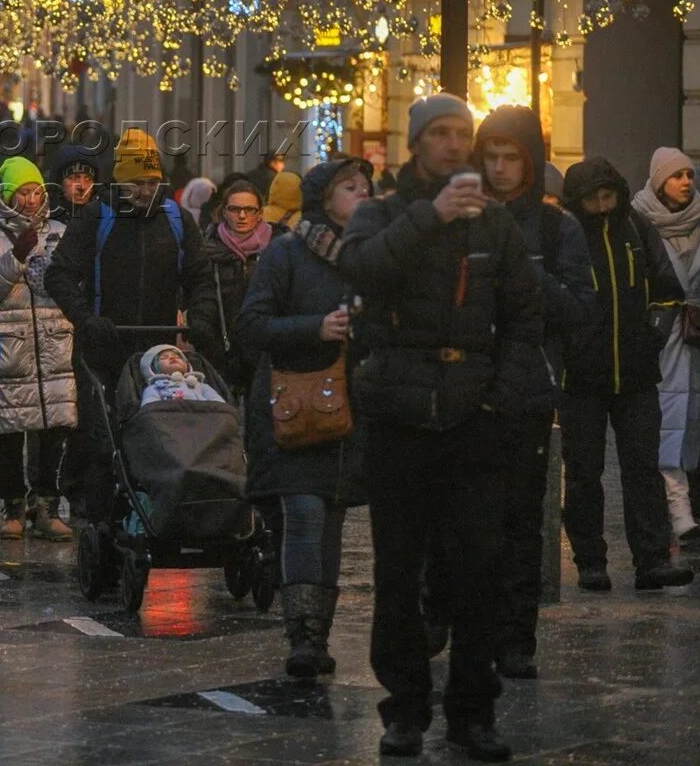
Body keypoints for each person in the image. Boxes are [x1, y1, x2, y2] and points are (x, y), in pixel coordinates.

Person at [338, 94, 542, 761]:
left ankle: (471, 712)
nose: (455, 146)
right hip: (400, 416)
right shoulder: (385, 211)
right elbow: (361, 267)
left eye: (464, 134)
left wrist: (498, 398)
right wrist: (428, 217)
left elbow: (522, 316)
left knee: (476, 569)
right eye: (442, 135)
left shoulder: (495, 226)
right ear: (418, 143)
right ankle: (404, 710)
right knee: (398, 573)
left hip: (472, 418)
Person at [471, 107, 597, 679]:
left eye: (510, 157)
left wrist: (524, 269)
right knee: (466, 520)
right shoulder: (461, 216)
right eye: (490, 156)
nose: (499, 169)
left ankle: (516, 637)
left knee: (521, 522)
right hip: (464, 389)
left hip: (526, 392)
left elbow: (578, 310)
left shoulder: (556, 227)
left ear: (530, 160)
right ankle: (465, 624)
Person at [44, 128, 222, 531]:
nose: (145, 191)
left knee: (159, 431)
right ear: (120, 181)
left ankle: (158, 509)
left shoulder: (176, 220)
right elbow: (59, 275)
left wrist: (202, 318)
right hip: (103, 348)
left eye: (151, 182)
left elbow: (198, 276)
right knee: (103, 439)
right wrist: (86, 319)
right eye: (136, 183)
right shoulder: (97, 216)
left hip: (158, 354)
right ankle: (100, 520)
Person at [238, 157, 373, 679]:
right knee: (306, 518)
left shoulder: (369, 259)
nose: (361, 195)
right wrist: (316, 327)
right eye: (349, 187)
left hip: (348, 413)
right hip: (292, 411)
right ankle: (302, 636)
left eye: (366, 187)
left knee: (331, 524)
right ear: (323, 198)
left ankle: (320, 635)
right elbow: (252, 327)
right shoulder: (286, 253)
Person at [560, 158, 693, 593]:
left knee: (642, 468)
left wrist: (653, 336)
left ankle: (652, 560)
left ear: (618, 193)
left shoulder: (636, 229)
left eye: (607, 197)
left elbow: (668, 290)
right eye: (592, 199)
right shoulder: (568, 233)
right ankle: (590, 562)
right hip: (581, 377)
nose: (601, 206)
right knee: (583, 472)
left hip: (635, 373)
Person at [0, 157, 75, 542]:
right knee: (10, 430)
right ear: (8, 196)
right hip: (10, 344)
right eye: (23, 193)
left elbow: (72, 283)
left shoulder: (61, 231)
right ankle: (13, 503)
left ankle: (47, 503)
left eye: (36, 192)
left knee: (54, 426)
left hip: (53, 340)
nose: (31, 200)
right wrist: (16, 257)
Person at [631, 147, 700, 542]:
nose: (687, 181)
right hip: (660, 335)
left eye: (689, 174)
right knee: (666, 419)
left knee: (691, 421)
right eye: (677, 175)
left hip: (698, 336)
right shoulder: (640, 223)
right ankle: (678, 507)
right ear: (659, 182)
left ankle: (678, 500)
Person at [204, 179, 283, 393]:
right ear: (224, 211)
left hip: (267, 345)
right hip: (221, 343)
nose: (242, 216)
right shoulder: (208, 247)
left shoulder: (279, 248)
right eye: (235, 209)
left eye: (249, 209)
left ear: (260, 213)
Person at [136, 343, 224, 404]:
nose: (172, 358)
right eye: (164, 358)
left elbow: (220, 406)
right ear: (153, 369)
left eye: (177, 357)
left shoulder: (201, 386)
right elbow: (150, 409)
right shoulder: (155, 388)